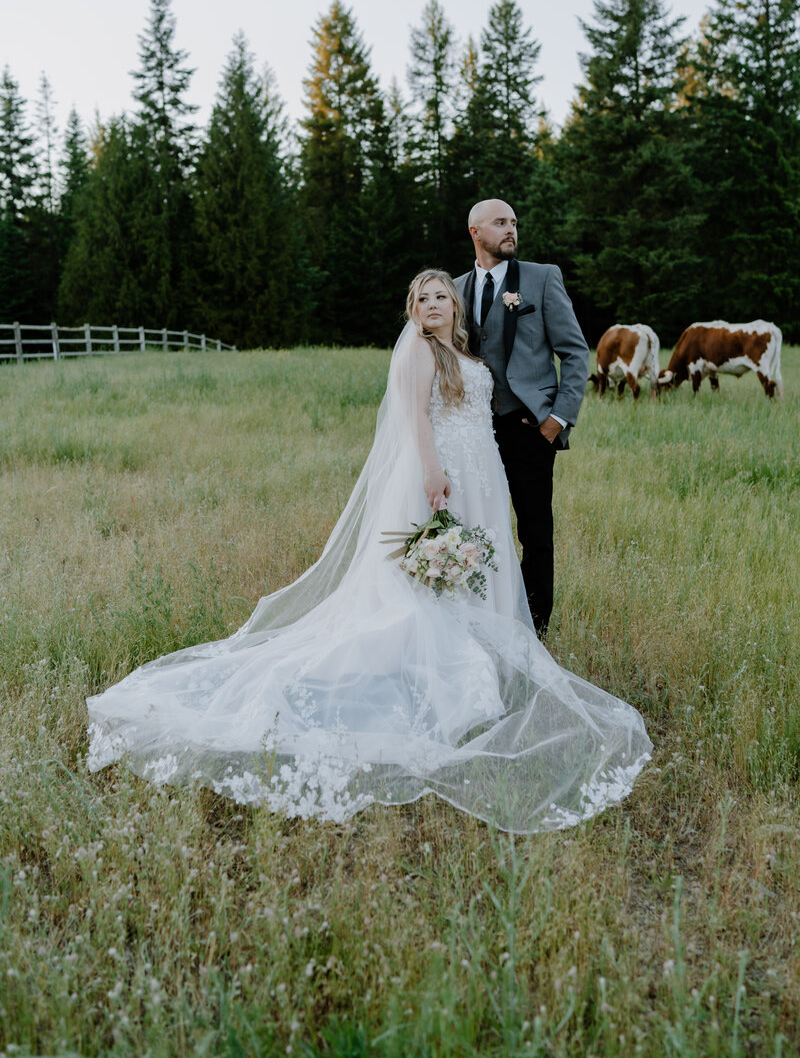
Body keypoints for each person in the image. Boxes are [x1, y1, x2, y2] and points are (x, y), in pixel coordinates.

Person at [87, 271, 650, 833]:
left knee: (487, 559)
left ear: (454, 306)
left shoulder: (465, 351)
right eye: (421, 300)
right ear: (414, 311)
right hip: (447, 470)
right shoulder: (423, 352)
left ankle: (489, 650)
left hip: (484, 472)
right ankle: (450, 665)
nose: (432, 306)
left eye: (439, 298)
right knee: (432, 584)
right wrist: (433, 473)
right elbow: (414, 418)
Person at [455, 200, 590, 636]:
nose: (511, 229)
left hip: (529, 428)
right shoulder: (455, 289)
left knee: (534, 533)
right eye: (500, 223)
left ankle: (535, 630)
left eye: (513, 222)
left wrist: (557, 420)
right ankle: (478, 620)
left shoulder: (542, 277)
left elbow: (574, 352)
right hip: (472, 431)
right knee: (475, 525)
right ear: (475, 231)